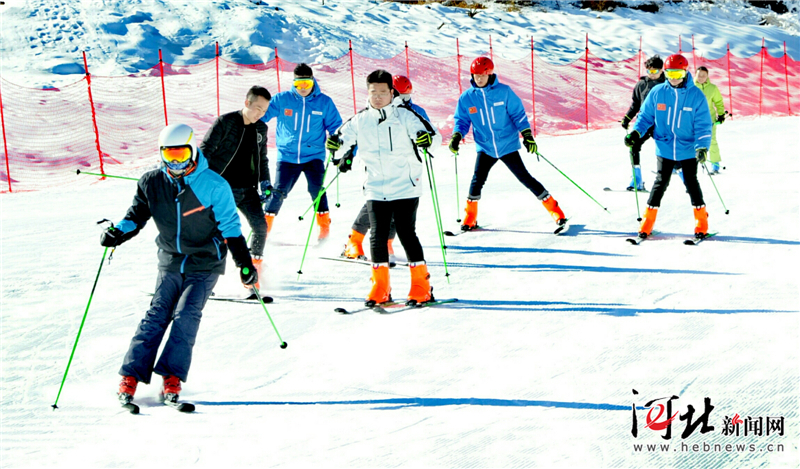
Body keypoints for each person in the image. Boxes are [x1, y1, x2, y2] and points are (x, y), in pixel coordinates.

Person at [104, 123, 258, 408]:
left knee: (186, 314)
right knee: (157, 314)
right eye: (169, 155)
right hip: (171, 259)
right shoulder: (151, 182)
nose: (176, 162)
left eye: (181, 154)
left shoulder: (213, 185)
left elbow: (231, 228)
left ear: (193, 149)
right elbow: (136, 216)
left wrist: (244, 264)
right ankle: (131, 376)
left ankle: (172, 376)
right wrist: (118, 233)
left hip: (205, 261)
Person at [326, 69, 436, 306]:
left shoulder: (405, 116)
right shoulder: (360, 119)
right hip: (376, 187)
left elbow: (427, 133)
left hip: (406, 185)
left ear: (391, 93)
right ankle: (380, 287)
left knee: (407, 234)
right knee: (377, 237)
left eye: (382, 92)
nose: (377, 97)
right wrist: (335, 145)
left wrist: (424, 139)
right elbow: (342, 141)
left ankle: (421, 286)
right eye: (373, 92)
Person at [448, 57, 566, 232]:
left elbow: (518, 114)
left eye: (482, 74)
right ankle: (470, 218)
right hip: (486, 147)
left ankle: (556, 212)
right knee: (477, 180)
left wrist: (527, 135)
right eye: (475, 75)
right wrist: (457, 136)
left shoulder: (504, 92)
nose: (479, 78)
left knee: (525, 178)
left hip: (507, 145)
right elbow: (462, 120)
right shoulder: (467, 98)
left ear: (490, 74)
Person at [341, 75, 439, 264]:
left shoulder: (414, 112)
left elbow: (429, 135)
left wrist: (425, 144)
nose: (400, 100)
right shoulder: (371, 114)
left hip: (404, 171)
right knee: (373, 209)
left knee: (399, 216)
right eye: (398, 96)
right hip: (378, 171)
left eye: (405, 95)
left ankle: (387, 244)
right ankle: (354, 241)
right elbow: (354, 133)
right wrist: (347, 155)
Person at [625, 54, 713, 240]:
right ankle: (647, 221)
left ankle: (701, 221)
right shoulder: (658, 92)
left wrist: (702, 147)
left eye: (678, 73)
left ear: (686, 71)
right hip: (664, 146)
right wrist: (636, 133)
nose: (674, 78)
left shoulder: (696, 95)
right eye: (670, 73)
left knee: (691, 182)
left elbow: (703, 125)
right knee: (660, 183)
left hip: (688, 148)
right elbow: (645, 117)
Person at [201, 85, 270, 299]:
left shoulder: (261, 129)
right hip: (222, 189)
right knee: (219, 235)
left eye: (264, 111)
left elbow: (263, 158)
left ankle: (252, 278)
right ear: (247, 103)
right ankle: (203, 281)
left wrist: (265, 182)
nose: (260, 114)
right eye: (257, 108)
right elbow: (205, 151)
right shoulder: (226, 122)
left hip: (248, 190)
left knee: (260, 227)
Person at [261, 63, 343, 240]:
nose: (303, 88)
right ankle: (263, 230)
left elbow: (336, 126)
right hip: (287, 156)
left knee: (317, 190)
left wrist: (336, 140)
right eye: (299, 84)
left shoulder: (324, 102)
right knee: (278, 192)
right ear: (294, 83)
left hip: (313, 156)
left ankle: (324, 229)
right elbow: (262, 117)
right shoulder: (282, 99)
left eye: (307, 83)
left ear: (313, 81)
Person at [621, 55, 666, 191]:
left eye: (654, 71)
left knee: (667, 150)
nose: (651, 75)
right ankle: (636, 180)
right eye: (649, 71)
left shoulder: (668, 84)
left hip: (662, 124)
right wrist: (627, 118)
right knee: (634, 145)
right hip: (645, 124)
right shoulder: (641, 85)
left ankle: (684, 178)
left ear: (661, 70)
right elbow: (636, 104)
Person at [694, 66, 727, 174]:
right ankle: (681, 165)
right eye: (699, 75)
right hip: (693, 119)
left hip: (709, 119)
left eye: (704, 75)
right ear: (695, 75)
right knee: (689, 141)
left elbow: (718, 102)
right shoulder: (690, 87)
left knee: (711, 141)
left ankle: (715, 165)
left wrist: (721, 114)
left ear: (707, 76)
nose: (701, 78)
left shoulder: (712, 88)